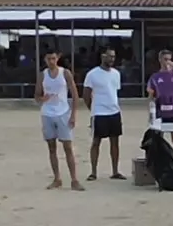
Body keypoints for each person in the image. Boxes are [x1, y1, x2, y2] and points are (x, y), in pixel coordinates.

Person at [37, 49, 82, 190]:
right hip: (47, 113)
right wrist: (42, 99)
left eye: (53, 58)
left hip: (63, 112)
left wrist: (73, 114)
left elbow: (75, 95)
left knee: (68, 146)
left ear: (58, 58)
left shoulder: (65, 73)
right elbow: (36, 95)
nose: (51, 61)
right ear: (45, 59)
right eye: (49, 59)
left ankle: (74, 179)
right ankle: (57, 178)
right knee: (51, 147)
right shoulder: (42, 75)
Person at [82, 48, 127, 181]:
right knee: (96, 142)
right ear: (102, 56)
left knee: (115, 142)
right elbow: (86, 94)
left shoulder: (116, 74)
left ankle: (115, 171)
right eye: (109, 56)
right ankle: (93, 172)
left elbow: (114, 91)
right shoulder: (92, 74)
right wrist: (92, 108)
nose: (112, 59)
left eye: (113, 57)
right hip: (99, 112)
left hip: (114, 111)